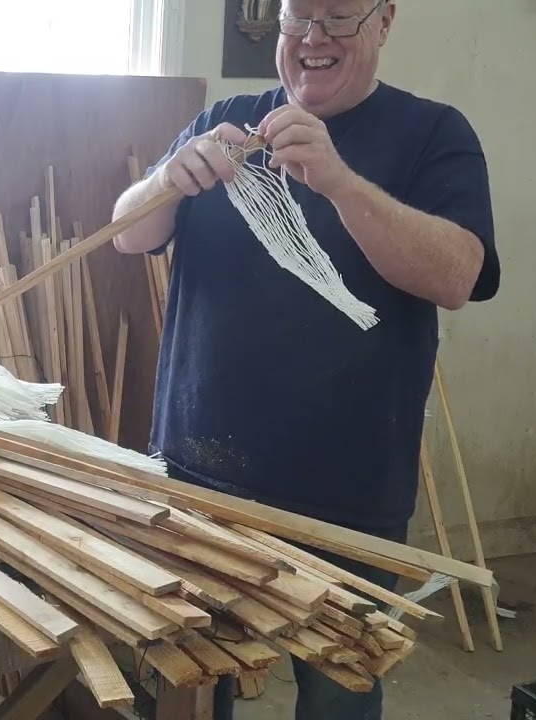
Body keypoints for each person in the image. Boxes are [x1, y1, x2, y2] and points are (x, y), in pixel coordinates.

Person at [111, 0, 500, 717]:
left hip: (343, 498)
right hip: (199, 477)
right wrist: (168, 177)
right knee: (189, 684)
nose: (313, 39)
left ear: (385, 21)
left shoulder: (432, 134)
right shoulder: (226, 119)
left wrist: (342, 183)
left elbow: (458, 276)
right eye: (298, 18)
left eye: (339, 17)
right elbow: (126, 233)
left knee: (337, 691)